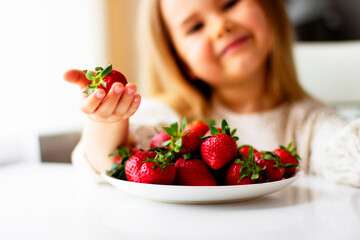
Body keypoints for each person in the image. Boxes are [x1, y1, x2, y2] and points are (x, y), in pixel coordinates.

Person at [64, 0, 360, 187]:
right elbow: (108, 164)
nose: (220, 26)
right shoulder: (171, 119)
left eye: (230, 3)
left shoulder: (309, 124)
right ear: (180, 60)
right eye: (195, 27)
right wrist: (108, 121)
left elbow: (349, 154)